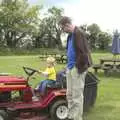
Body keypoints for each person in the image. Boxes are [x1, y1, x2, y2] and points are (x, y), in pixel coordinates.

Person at [59, 16, 92, 120]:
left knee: (77, 96)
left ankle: (77, 117)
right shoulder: (70, 36)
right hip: (70, 68)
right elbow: (71, 51)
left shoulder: (79, 33)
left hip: (77, 68)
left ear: (67, 25)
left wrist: (76, 67)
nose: (63, 30)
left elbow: (84, 53)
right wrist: (68, 66)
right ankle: (71, 116)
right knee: (69, 94)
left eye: (62, 28)